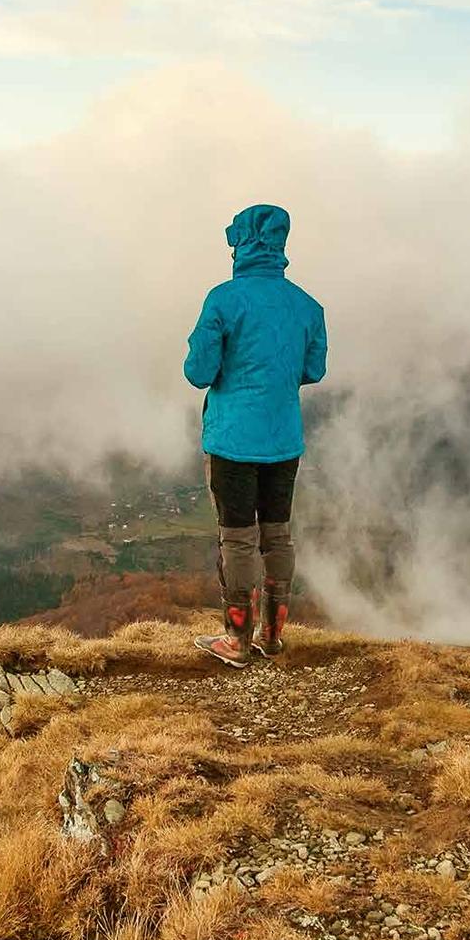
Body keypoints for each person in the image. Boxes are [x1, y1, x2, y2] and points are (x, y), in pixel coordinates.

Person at [184, 203, 327, 666]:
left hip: (232, 440)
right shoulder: (307, 305)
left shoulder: (223, 300)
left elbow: (197, 371)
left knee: (238, 537)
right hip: (284, 439)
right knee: (277, 535)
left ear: (241, 244)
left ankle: (237, 640)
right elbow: (314, 369)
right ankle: (274, 634)